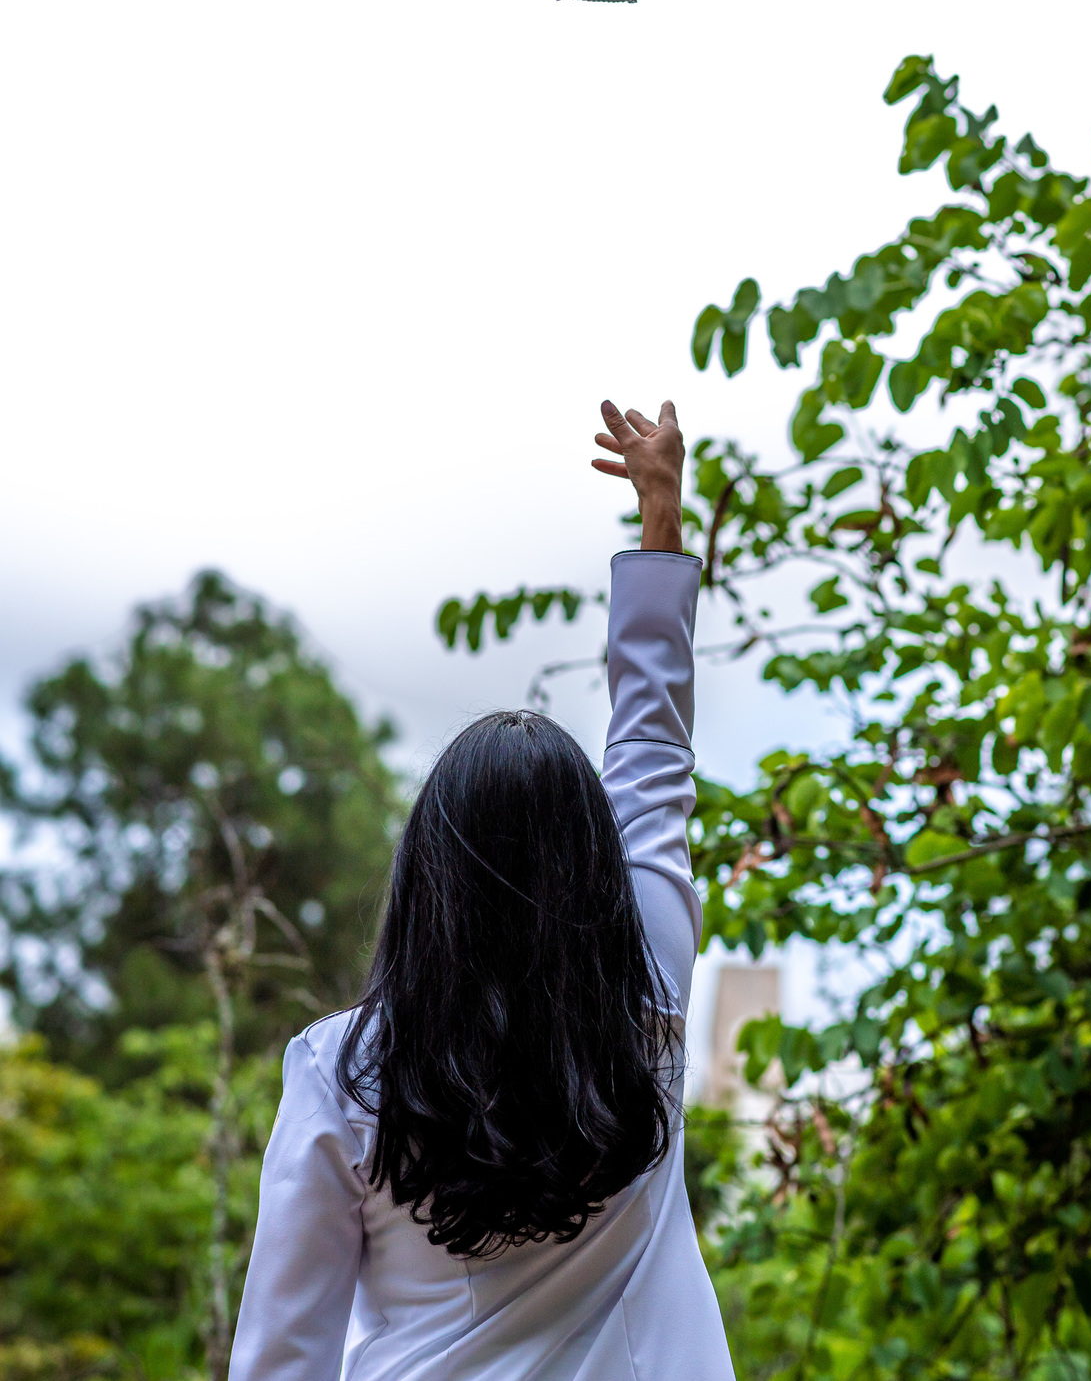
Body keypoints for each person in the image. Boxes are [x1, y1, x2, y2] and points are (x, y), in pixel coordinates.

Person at [229, 399, 735, 1381]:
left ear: (430, 874)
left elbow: (282, 1357)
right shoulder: (652, 1007)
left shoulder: (343, 1072)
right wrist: (660, 512)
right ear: (598, 867)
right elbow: (653, 749)